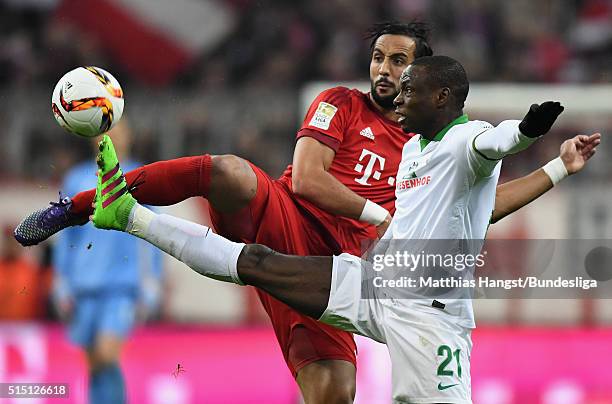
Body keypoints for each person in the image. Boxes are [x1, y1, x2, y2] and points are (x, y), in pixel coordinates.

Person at [14, 22, 600, 403]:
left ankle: (128, 217)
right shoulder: (339, 104)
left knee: (332, 393)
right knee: (230, 172)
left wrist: (554, 169)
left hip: (344, 269)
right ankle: (85, 206)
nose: (384, 71)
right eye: (378, 57)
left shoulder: (430, 144)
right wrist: (380, 216)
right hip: (290, 218)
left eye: (399, 62)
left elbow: (485, 198)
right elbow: (314, 181)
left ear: (424, 78)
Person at [52, 121, 163, 404]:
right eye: (105, 134)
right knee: (93, 362)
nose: (111, 138)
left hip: (121, 289)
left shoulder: (139, 176)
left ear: (129, 136)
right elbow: (65, 237)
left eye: (118, 132)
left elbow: (155, 234)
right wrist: (61, 282)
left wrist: (153, 283)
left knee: (106, 353)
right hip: (83, 288)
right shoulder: (76, 179)